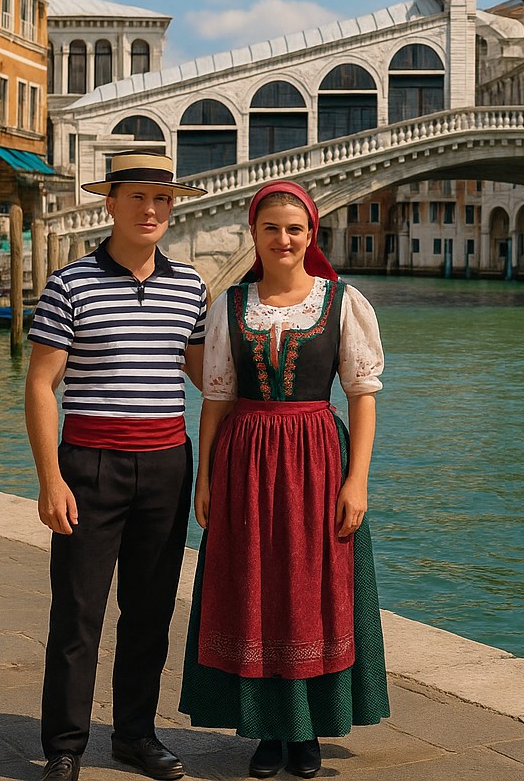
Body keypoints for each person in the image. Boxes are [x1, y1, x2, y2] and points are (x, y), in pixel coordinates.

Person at [180, 180, 390, 780]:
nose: (283, 239)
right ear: (255, 235)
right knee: (253, 589)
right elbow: (216, 398)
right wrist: (205, 476)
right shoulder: (227, 306)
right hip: (245, 459)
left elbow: (362, 398)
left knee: (311, 590)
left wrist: (358, 482)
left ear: (310, 236)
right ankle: (267, 730)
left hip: (318, 459)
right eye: (271, 228)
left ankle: (307, 731)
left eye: (294, 229)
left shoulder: (343, 302)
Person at [25, 151, 209, 781]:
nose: (151, 210)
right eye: (138, 198)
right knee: (77, 614)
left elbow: (210, 378)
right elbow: (42, 386)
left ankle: (135, 735)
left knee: (151, 612)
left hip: (165, 465)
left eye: (162, 199)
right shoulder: (69, 284)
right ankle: (65, 747)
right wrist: (51, 479)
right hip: (89, 466)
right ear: (112, 204)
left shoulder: (190, 287)